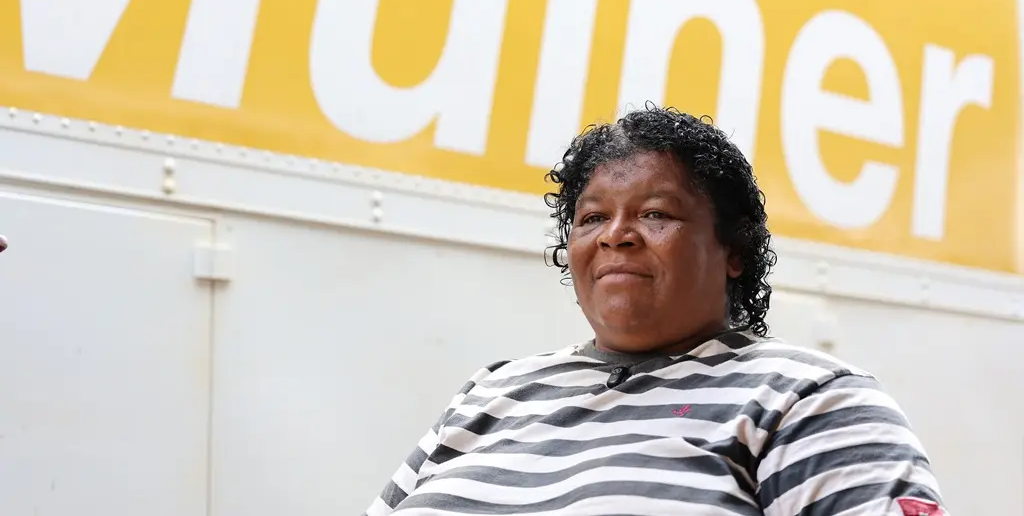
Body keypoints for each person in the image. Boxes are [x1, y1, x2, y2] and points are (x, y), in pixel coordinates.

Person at [363, 105, 947, 516]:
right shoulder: (491, 393)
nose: (616, 236)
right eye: (592, 218)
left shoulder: (810, 400)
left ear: (734, 251)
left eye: (655, 214)